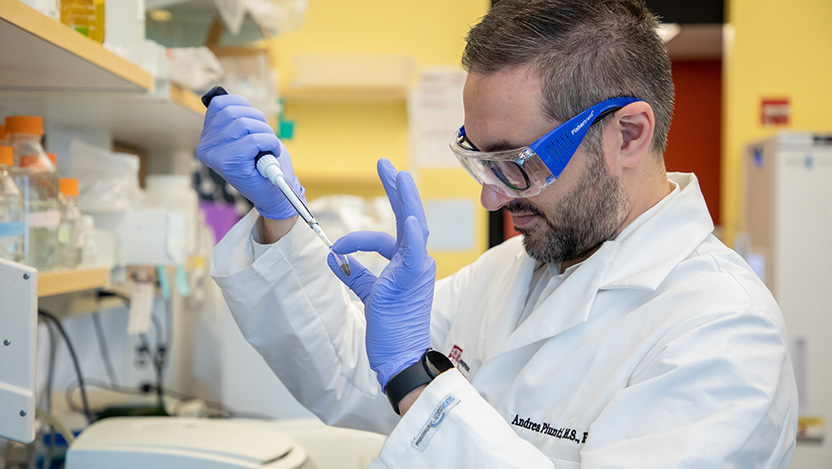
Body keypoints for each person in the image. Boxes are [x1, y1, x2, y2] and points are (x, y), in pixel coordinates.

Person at [197, 0, 798, 466]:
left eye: (517, 162)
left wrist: (414, 375)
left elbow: (409, 388)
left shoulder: (723, 332)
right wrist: (279, 213)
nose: (491, 195)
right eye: (479, 160)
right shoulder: (511, 269)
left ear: (629, 135)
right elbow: (348, 378)